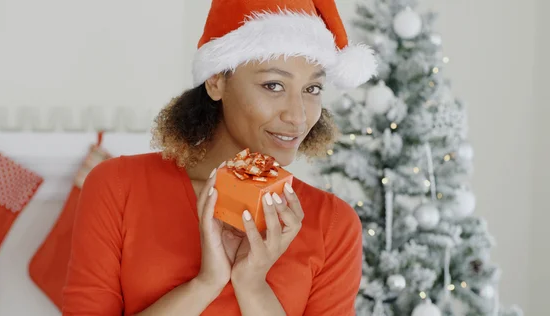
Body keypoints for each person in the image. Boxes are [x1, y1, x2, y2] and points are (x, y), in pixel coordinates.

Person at [61, 0, 377, 315]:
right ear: (216, 81)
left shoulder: (332, 224)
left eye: (313, 89)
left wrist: (251, 283)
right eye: (273, 85)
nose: (297, 116)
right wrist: (207, 283)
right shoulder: (118, 187)